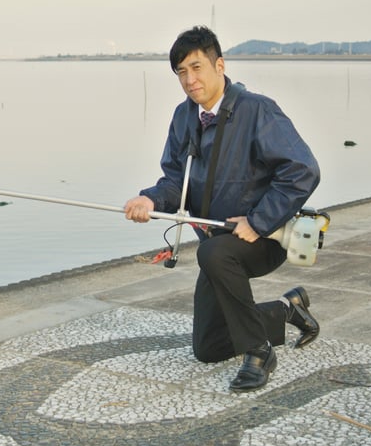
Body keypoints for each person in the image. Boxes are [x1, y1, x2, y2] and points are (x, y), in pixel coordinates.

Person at [124, 26, 321, 392]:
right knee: (208, 347)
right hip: (219, 245)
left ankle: (259, 353)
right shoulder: (184, 118)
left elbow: (304, 170)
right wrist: (150, 199)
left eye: (197, 67)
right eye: (181, 72)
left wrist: (259, 221)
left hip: (264, 238)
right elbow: (174, 181)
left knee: (212, 252)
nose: (189, 79)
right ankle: (288, 310)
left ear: (220, 65)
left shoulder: (257, 109)